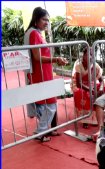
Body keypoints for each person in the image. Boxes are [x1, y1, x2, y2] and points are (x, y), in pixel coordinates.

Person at [24, 7, 68, 142]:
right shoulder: (34, 34)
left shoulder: (35, 33)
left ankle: (44, 130)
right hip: (40, 74)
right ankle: (41, 131)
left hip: (43, 73)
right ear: (36, 19)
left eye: (48, 20)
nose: (46, 23)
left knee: (46, 104)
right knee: (50, 104)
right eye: (44, 19)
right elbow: (37, 57)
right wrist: (55, 59)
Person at [71, 47, 105, 128]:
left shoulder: (95, 66)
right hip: (80, 86)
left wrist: (101, 89)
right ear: (83, 56)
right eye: (88, 54)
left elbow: (101, 81)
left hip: (91, 84)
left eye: (92, 55)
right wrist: (90, 90)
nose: (90, 57)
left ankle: (99, 116)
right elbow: (78, 83)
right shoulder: (79, 66)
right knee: (83, 93)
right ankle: (85, 119)